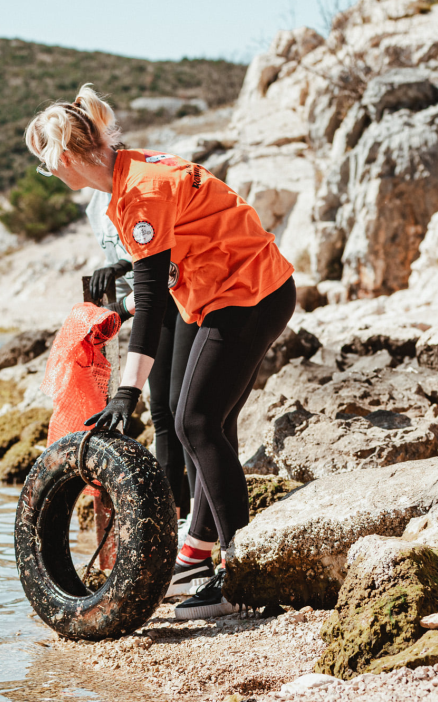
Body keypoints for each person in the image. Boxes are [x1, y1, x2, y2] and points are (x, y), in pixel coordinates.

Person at [26, 85, 295, 620]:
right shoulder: (128, 179)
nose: (50, 174)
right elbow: (159, 280)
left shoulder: (138, 193)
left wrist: (125, 394)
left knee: (195, 422)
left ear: (71, 157)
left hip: (249, 295)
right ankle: (197, 552)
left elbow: (150, 303)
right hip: (227, 296)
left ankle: (237, 575)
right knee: (209, 420)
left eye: (47, 164)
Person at [86, 190, 197, 523]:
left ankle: (199, 514)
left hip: (183, 294)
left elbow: (163, 244)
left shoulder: (142, 189)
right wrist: (113, 306)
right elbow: (116, 258)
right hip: (150, 305)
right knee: (162, 411)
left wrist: (122, 265)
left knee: (185, 411)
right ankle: (171, 513)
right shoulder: (94, 204)